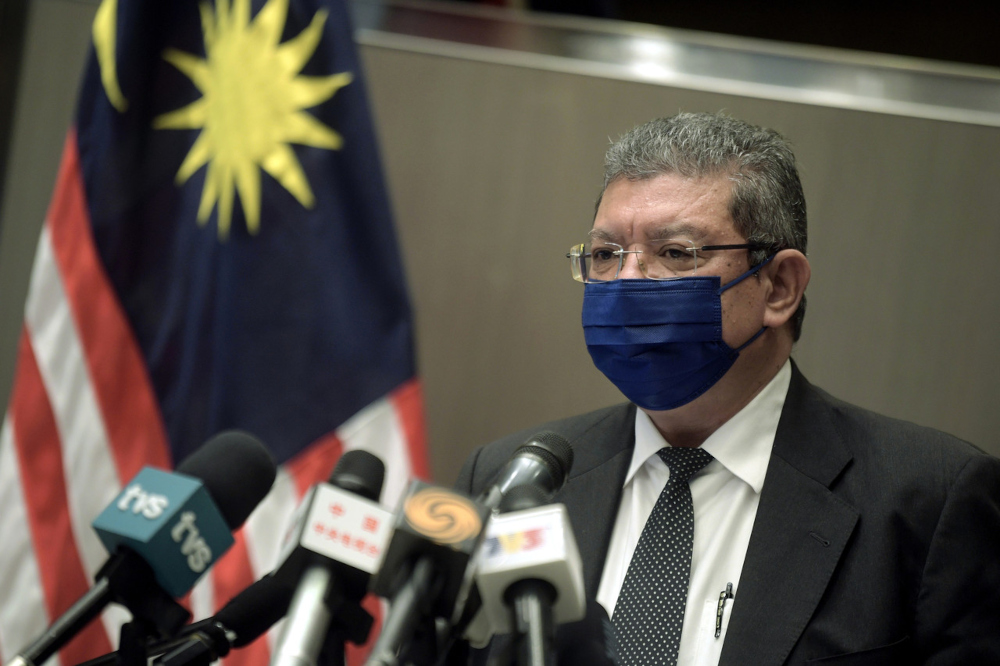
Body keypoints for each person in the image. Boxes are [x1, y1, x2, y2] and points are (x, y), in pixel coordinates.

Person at [455, 112, 1000, 665]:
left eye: (675, 254)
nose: (625, 283)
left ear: (779, 287)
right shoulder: (512, 483)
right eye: (604, 255)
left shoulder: (928, 501)